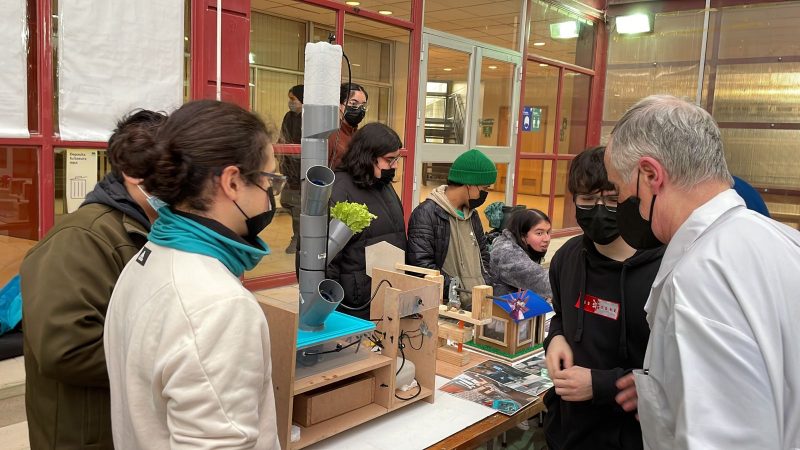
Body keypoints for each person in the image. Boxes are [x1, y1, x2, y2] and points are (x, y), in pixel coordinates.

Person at [608, 95, 800, 449]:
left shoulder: (700, 278)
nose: (619, 206)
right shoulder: (784, 241)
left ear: (651, 175)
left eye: (619, 190)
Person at [103, 100, 283, 449]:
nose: (270, 199)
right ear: (232, 182)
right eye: (269, 181)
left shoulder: (146, 259)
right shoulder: (219, 306)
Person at [20, 109, 167, 449]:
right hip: (87, 434)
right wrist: (169, 361)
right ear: (133, 172)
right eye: (172, 169)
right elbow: (65, 350)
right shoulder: (81, 238)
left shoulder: (150, 229)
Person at [542, 146, 664, 450]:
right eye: (586, 200)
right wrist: (555, 338)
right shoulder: (566, 258)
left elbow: (676, 371)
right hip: (570, 432)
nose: (598, 210)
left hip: (634, 436)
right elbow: (561, 315)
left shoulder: (665, 271)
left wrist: (600, 385)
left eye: (611, 200)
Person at [327, 122, 406, 320]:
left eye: (397, 159)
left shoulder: (383, 185)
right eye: (389, 159)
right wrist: (329, 304)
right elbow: (328, 259)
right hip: (355, 302)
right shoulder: (339, 190)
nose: (395, 165)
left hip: (385, 291)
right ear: (367, 156)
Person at [407, 148, 496, 310]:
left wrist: (485, 283)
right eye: (485, 188)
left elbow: (483, 254)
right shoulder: (426, 214)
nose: (486, 193)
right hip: (447, 308)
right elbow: (421, 265)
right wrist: (454, 291)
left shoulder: (472, 215)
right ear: (470, 185)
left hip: (476, 305)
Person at [489, 208, 553, 299]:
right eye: (539, 233)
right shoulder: (507, 253)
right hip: (500, 311)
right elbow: (543, 282)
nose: (547, 239)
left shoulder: (528, 247)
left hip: (520, 309)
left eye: (548, 232)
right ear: (523, 236)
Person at [279, 84, 303, 253]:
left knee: (298, 208)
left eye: (293, 99)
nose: (291, 103)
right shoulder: (289, 117)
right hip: (289, 170)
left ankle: (298, 239)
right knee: (286, 202)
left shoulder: (309, 118)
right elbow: (282, 139)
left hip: (302, 172)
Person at [328, 82, 368, 170]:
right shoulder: (329, 135)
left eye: (363, 105)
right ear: (339, 105)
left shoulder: (360, 137)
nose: (360, 109)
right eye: (353, 104)